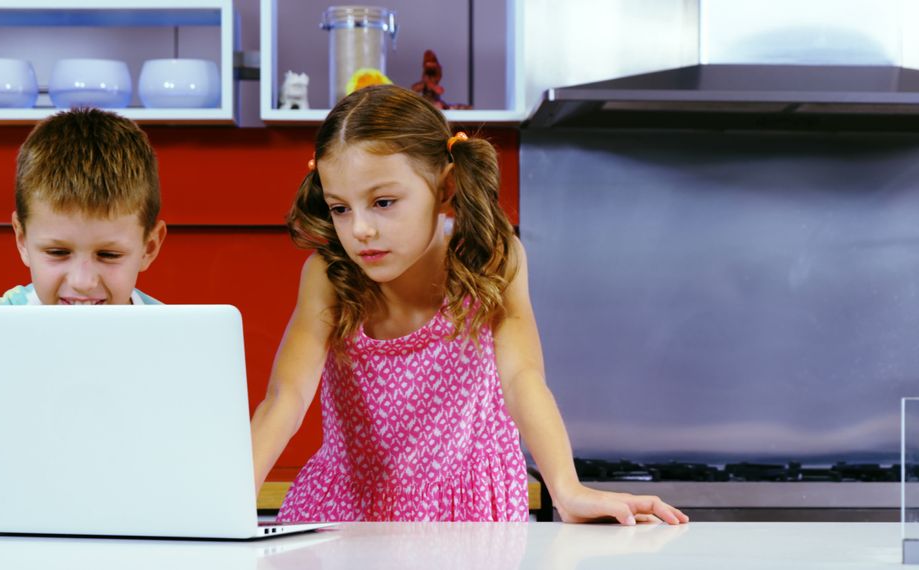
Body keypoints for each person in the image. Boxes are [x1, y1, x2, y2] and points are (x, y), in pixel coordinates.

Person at [250, 84, 688, 525]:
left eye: (383, 202)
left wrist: (567, 490)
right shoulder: (329, 275)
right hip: (350, 510)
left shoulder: (493, 258)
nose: (359, 229)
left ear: (446, 188)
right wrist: (229, 501)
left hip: (468, 514)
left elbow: (523, 378)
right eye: (340, 208)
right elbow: (286, 396)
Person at [0, 107, 166, 305]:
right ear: (22, 241)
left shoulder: (171, 332)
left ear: (149, 248)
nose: (82, 282)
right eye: (57, 252)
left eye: (109, 255)